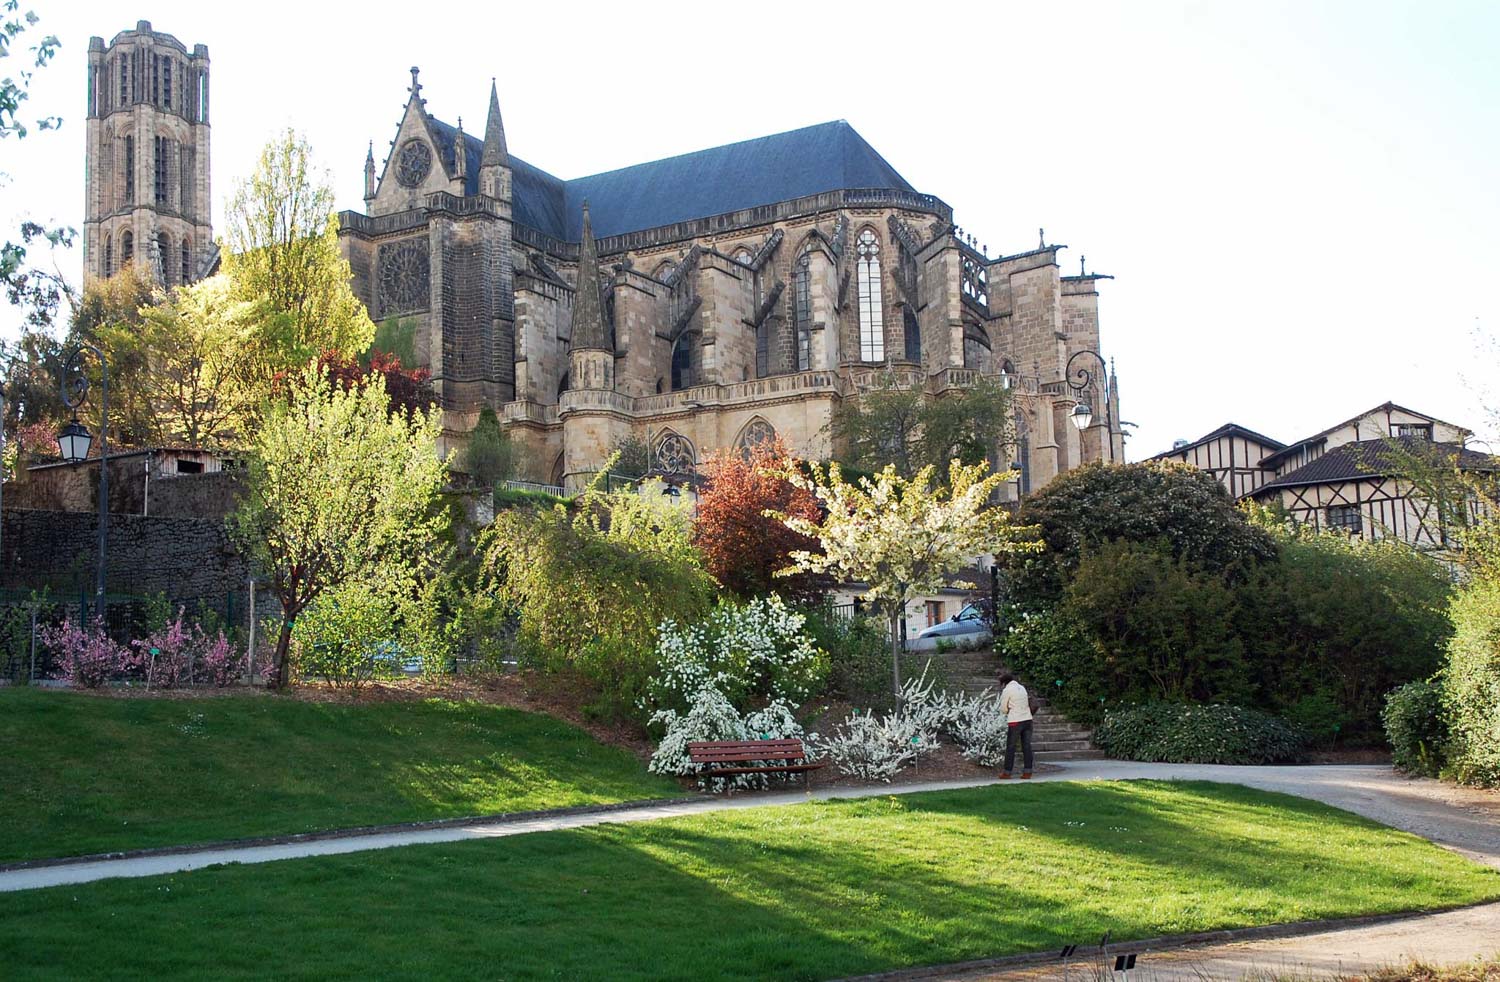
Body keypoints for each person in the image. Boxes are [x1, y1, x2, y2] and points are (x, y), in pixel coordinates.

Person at [997, 672, 1033, 779]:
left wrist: (1008, 710)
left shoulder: (1007, 690)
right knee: (1026, 746)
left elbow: (1003, 708)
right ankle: (1028, 771)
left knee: (1011, 747)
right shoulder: (1022, 688)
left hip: (1015, 721)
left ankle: (1007, 772)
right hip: (1028, 719)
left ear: (1004, 683)